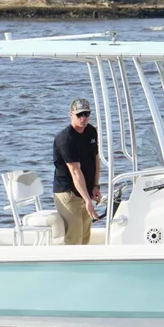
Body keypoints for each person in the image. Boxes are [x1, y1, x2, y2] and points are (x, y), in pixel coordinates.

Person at [53, 98, 101, 245]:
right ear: (71, 115)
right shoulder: (65, 139)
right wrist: (87, 200)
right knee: (74, 236)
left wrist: (95, 186)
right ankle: (68, 267)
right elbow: (75, 171)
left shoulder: (91, 131)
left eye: (86, 114)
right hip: (68, 192)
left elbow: (96, 160)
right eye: (79, 115)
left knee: (85, 236)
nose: (83, 118)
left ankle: (85, 267)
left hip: (84, 190)